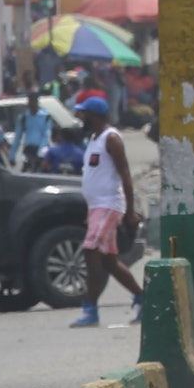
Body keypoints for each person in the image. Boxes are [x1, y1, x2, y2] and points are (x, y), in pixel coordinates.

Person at [69, 97, 144, 328]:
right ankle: (143, 298)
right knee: (109, 262)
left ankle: (90, 307)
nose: (81, 118)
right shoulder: (93, 139)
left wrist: (130, 211)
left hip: (109, 204)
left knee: (91, 250)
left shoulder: (111, 139)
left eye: (85, 114)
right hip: (97, 207)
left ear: (96, 116)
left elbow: (125, 175)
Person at [12, 93, 54, 172]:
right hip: (29, 150)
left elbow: (46, 136)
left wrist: (39, 154)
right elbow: (17, 137)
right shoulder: (24, 118)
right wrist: (12, 155)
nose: (32, 104)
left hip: (41, 150)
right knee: (26, 172)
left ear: (37, 102)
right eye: (31, 101)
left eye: (34, 101)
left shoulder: (45, 117)